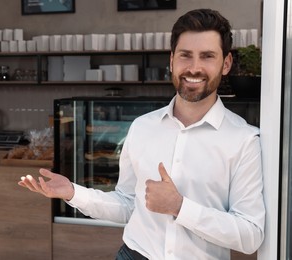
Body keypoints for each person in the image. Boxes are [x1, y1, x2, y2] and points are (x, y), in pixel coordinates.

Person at [18, 8, 265, 260]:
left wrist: (180, 207)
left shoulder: (244, 140)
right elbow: (128, 204)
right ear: (171, 60)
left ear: (226, 64)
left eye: (207, 56)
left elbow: (250, 235)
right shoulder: (142, 127)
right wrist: (73, 192)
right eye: (185, 55)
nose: (194, 67)